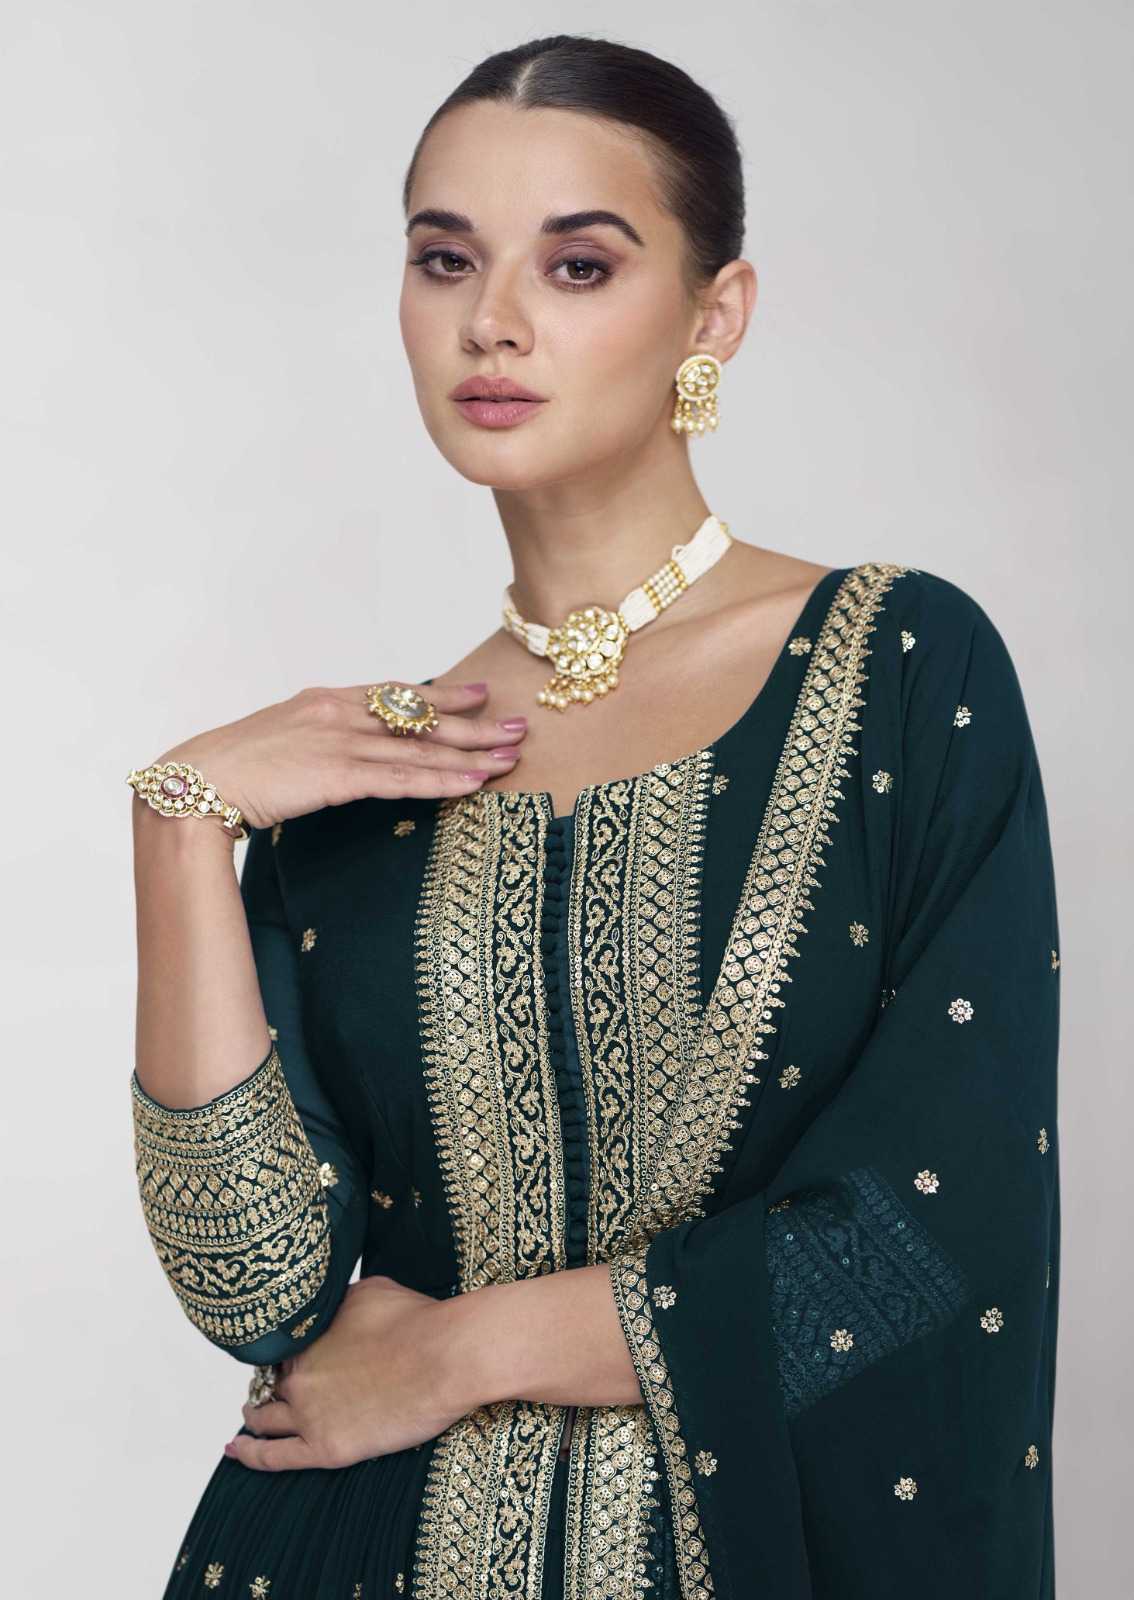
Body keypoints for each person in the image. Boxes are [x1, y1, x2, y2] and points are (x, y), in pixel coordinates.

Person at [127, 33, 1060, 1600]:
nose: (489, 321)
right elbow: (254, 1289)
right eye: (444, 259)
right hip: (355, 1554)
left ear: (714, 314)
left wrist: (456, 1354)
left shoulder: (898, 669)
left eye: (576, 265)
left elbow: (924, 1237)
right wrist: (179, 822)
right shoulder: (363, 779)